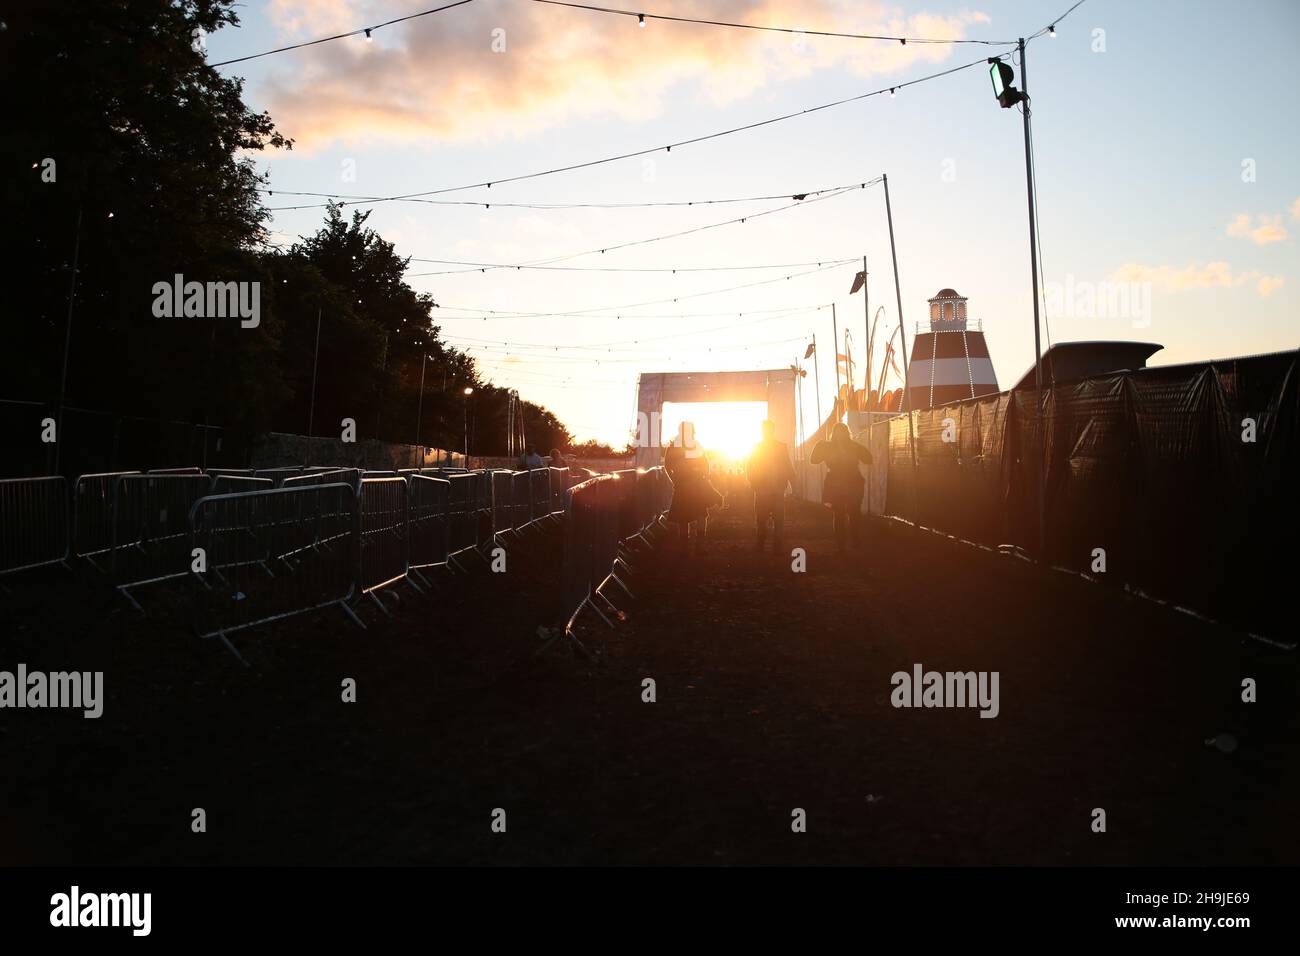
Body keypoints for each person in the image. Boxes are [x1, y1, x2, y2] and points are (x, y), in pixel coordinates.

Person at [809, 422, 873, 553]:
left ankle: (854, 541)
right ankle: (841, 544)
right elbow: (814, 459)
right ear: (834, 434)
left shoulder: (854, 446)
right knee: (839, 514)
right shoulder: (829, 447)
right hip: (836, 484)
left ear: (846, 433)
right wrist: (819, 446)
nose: (840, 435)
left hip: (852, 483)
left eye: (842, 432)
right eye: (838, 432)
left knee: (854, 513)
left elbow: (868, 459)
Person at [663, 422, 722, 554]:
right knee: (698, 515)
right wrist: (703, 478)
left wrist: (675, 480)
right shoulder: (692, 446)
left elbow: (667, 465)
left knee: (687, 517)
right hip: (692, 485)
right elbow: (705, 464)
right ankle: (697, 548)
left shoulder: (676, 446)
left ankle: (687, 549)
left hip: (688, 485)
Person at [746, 420, 794, 552]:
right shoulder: (780, 447)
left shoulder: (758, 447)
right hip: (773, 488)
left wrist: (752, 482)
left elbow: (749, 466)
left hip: (765, 488)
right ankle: (775, 546)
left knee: (762, 518)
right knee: (775, 519)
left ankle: (762, 544)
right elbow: (787, 466)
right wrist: (791, 481)